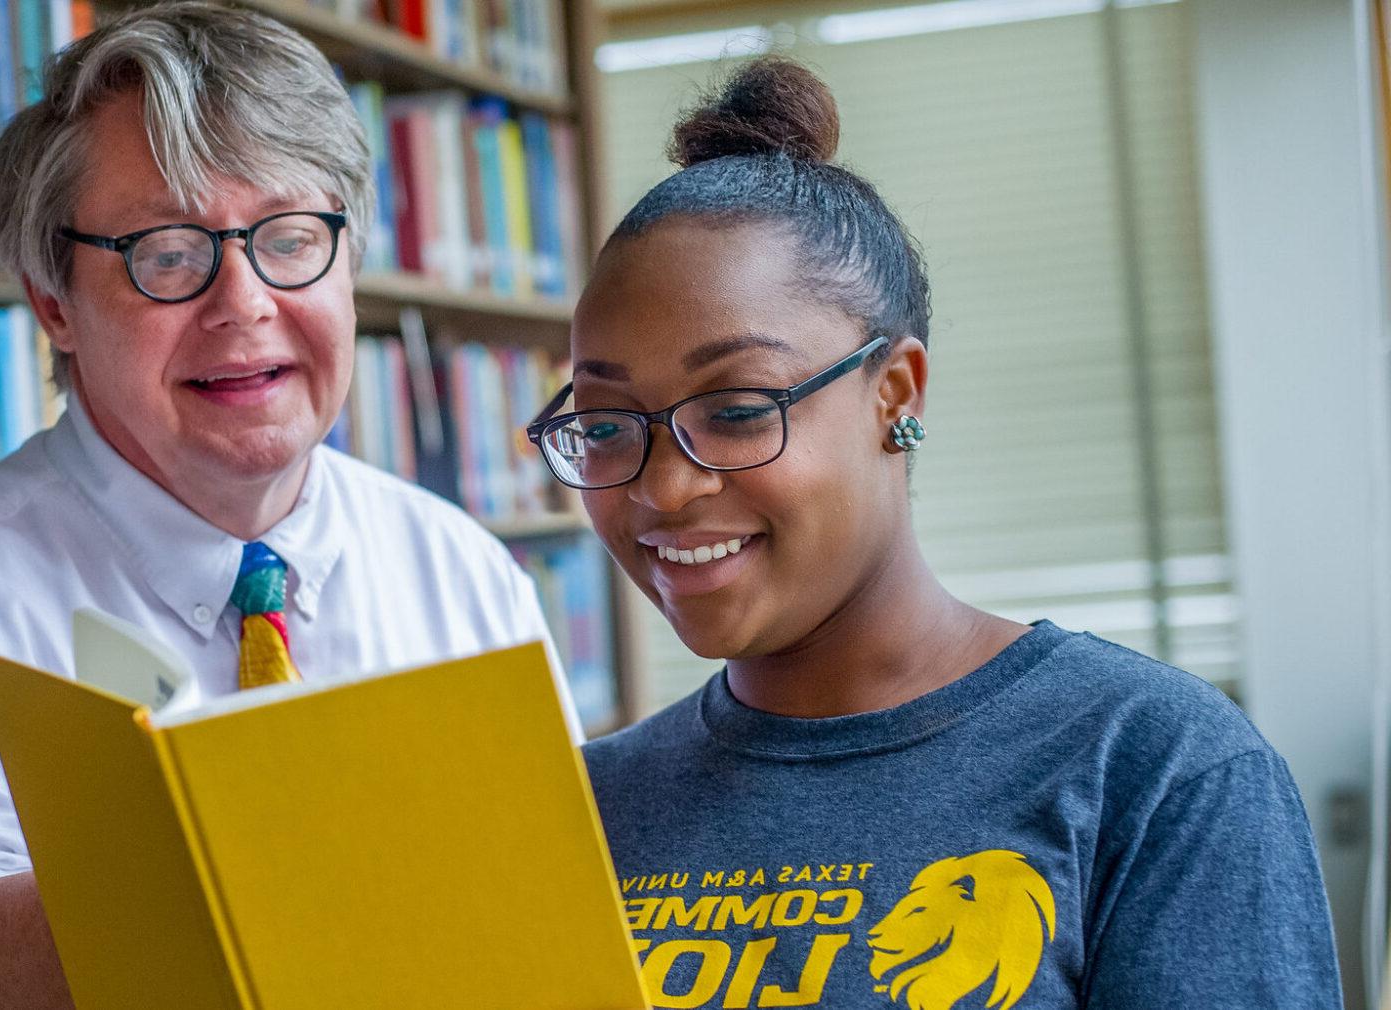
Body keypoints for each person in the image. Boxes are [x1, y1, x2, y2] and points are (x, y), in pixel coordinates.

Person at [0, 5, 580, 1008]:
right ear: (51, 299)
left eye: (291, 238)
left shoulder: (460, 568)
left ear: (346, 260)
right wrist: (293, 859)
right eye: (169, 254)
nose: (244, 302)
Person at [529, 58, 1342, 1007]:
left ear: (896, 394)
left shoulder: (1155, 766)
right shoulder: (583, 811)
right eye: (606, 424)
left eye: (740, 409)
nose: (665, 488)